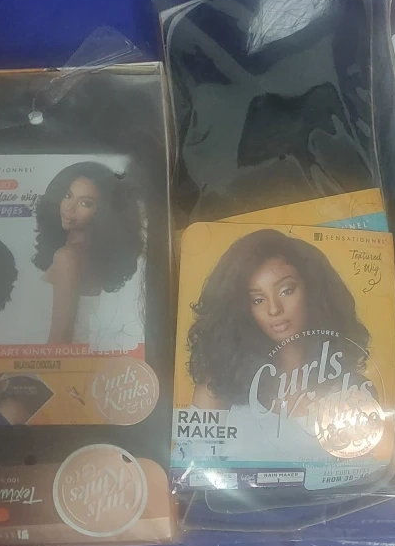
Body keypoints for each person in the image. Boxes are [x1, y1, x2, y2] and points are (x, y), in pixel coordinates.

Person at [187, 228, 371, 411]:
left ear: (313, 289)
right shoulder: (219, 386)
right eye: (258, 300)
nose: (274, 309)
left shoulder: (351, 388)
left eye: (286, 291)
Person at [32, 162, 143, 344]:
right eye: (68, 195)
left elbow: (59, 339)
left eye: (85, 203)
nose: (69, 208)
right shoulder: (92, 256)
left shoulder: (67, 258)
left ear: (104, 211)